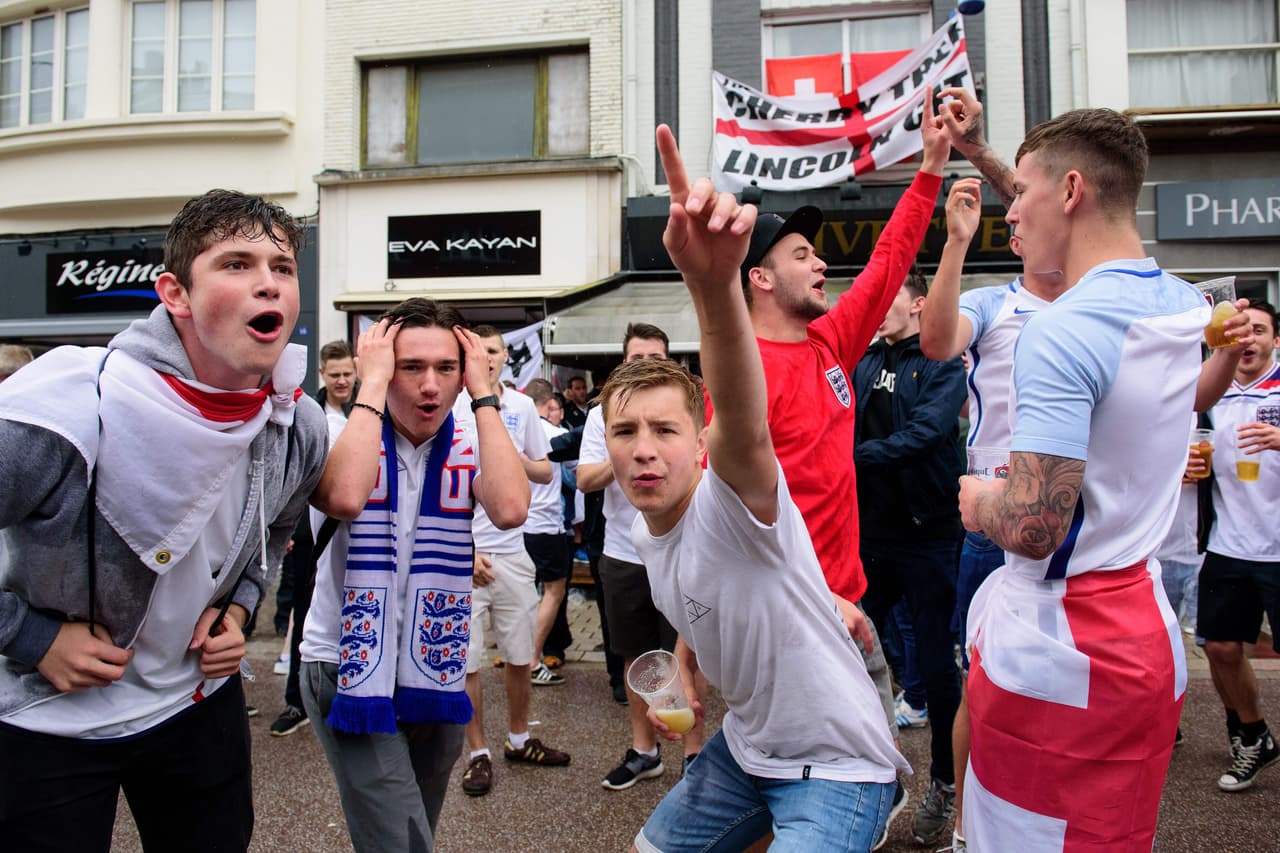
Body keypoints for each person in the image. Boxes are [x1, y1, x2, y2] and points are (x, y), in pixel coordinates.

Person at [926, 90, 1254, 849]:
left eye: (1026, 196)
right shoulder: (1179, 301)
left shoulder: (1061, 328)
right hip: (1144, 626)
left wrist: (978, 500)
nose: (1014, 214)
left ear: (1070, 192)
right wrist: (982, 153)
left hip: (1062, 642)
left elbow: (1037, 526)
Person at [0, 190, 328, 851]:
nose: (267, 281)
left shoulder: (298, 423)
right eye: (236, 263)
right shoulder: (66, 404)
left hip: (195, 710)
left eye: (282, 266)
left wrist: (237, 610)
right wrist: (31, 636)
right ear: (174, 293)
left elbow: (274, 531)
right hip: (44, 721)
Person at [616, 123, 906, 852]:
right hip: (749, 745)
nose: (646, 452)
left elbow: (744, 432)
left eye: (665, 431)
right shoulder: (648, 533)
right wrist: (689, 642)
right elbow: (707, 579)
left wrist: (710, 286)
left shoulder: (733, 479)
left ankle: (888, 785)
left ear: (700, 442)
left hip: (837, 759)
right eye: (625, 434)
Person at [711, 89, 948, 844]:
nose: (821, 264)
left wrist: (931, 170)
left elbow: (887, 266)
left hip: (848, 607)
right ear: (759, 278)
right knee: (823, 782)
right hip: (798, 623)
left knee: (826, 780)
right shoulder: (743, 384)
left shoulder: (826, 346)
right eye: (802, 255)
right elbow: (723, 519)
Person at [299, 298, 532, 851]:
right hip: (347, 662)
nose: (430, 385)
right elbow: (345, 495)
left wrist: (483, 395)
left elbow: (510, 509)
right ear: (380, 368)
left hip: (435, 668)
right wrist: (370, 387)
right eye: (411, 367)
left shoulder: (473, 440)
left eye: (446, 368)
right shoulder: (335, 432)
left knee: (413, 830)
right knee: (400, 840)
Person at [853, 265, 966, 845]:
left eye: (889, 295)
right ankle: (872, 777)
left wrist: (851, 461)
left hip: (929, 536)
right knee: (850, 649)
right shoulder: (865, 361)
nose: (876, 305)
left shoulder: (944, 362)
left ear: (920, 304)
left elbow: (925, 433)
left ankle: (946, 784)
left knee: (937, 671)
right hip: (871, 536)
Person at [578, 322, 705, 790]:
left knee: (688, 656)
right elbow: (584, 480)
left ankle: (695, 754)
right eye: (636, 359)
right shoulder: (599, 417)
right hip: (622, 551)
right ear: (622, 362)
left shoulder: (688, 409)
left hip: (683, 550)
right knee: (637, 657)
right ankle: (644, 750)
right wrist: (627, 449)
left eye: (655, 358)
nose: (645, 366)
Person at [452, 325, 569, 797]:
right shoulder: (450, 407)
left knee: (520, 655)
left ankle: (519, 738)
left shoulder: (520, 406)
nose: (489, 358)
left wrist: (509, 457)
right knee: (468, 663)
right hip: (463, 554)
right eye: (480, 352)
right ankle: (477, 753)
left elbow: (543, 469)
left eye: (495, 350)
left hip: (514, 551)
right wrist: (467, 548)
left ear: (504, 356)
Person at [1200, 299, 1280, 792]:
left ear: (1276, 340)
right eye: (1242, 330)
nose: (1248, 339)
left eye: (1260, 331)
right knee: (1221, 646)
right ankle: (1253, 734)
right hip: (1228, 543)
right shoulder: (1210, 391)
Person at [270, 339, 361, 737]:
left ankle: (355, 688)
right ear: (322, 373)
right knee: (303, 616)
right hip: (308, 536)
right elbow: (287, 472)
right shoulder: (306, 414)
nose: (341, 381)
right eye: (334, 374)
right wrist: (285, 528)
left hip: (356, 532)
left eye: (347, 374)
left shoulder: (369, 412)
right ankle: (297, 701)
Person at [522, 378, 573, 686]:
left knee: (525, 594)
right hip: (547, 525)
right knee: (553, 592)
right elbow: (581, 470)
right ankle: (531, 659)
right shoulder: (557, 435)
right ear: (547, 404)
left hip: (518, 526)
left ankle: (518, 655)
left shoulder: (514, 434)